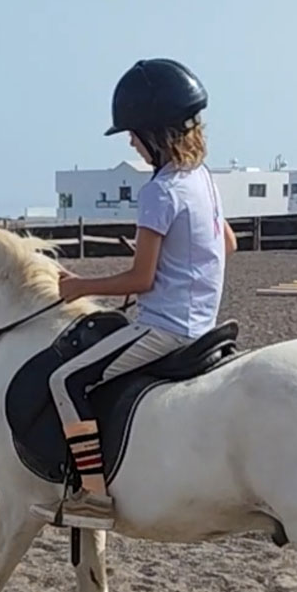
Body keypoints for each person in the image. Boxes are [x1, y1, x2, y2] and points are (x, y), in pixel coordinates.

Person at [33, 58, 237, 530]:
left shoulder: (160, 192)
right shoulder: (202, 179)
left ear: (155, 133)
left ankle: (93, 495)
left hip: (166, 329)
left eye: (133, 133)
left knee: (65, 381)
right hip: (204, 320)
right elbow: (226, 242)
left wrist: (80, 286)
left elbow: (141, 280)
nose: (129, 141)